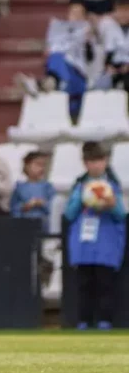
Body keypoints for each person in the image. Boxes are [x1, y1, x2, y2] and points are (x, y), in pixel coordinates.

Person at [64, 141, 125, 330]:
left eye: (99, 160)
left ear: (106, 161)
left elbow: (120, 215)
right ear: (85, 163)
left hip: (105, 247)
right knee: (85, 286)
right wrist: (82, 200)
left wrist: (111, 204)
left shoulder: (113, 186)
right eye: (92, 161)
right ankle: (84, 321)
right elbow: (69, 214)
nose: (96, 165)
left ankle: (104, 322)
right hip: (84, 247)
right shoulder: (79, 186)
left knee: (105, 286)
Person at [10, 151, 54, 233]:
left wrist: (41, 203)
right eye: (38, 164)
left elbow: (53, 208)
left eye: (43, 165)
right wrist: (24, 206)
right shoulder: (20, 187)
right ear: (27, 166)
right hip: (24, 226)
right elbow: (14, 209)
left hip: (43, 225)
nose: (41, 168)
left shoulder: (47, 187)